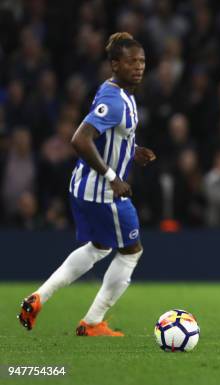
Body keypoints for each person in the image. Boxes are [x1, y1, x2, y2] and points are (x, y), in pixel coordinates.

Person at [18, 32, 156, 336]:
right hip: (103, 192)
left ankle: (39, 296)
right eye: (131, 62)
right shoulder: (115, 100)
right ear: (115, 64)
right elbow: (80, 140)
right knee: (131, 250)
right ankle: (92, 322)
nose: (139, 67)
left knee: (99, 247)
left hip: (83, 187)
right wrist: (113, 177)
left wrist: (132, 153)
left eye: (142, 61)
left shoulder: (117, 93)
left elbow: (107, 138)